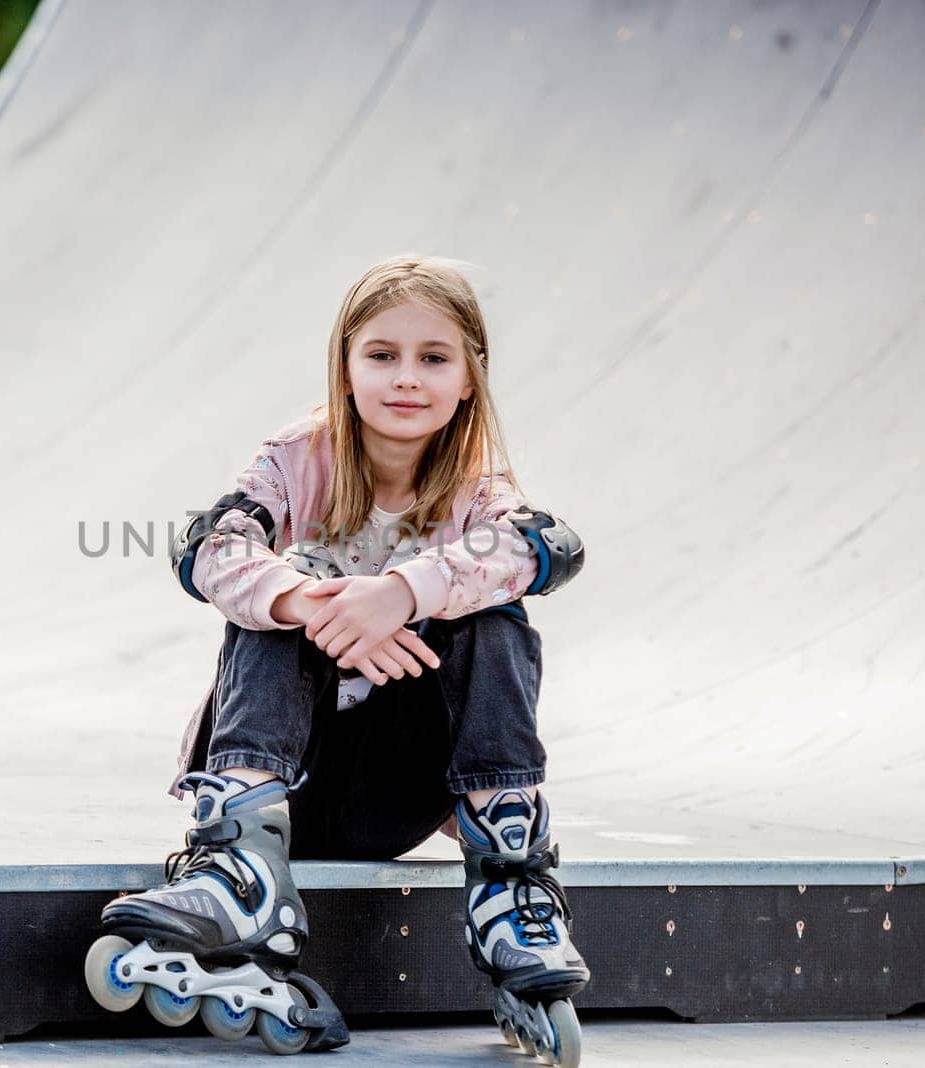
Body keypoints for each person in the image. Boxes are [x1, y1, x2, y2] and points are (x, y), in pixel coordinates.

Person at [85, 254, 588, 1060]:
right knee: (268, 602)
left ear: (470, 378)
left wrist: (402, 593)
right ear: (346, 368)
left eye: (434, 358)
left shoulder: (478, 490)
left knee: (496, 614)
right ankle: (239, 866)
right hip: (293, 779)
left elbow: (545, 550)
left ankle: (511, 882)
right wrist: (315, 605)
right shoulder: (296, 459)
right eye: (381, 355)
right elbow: (208, 547)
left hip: (402, 792)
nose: (406, 378)